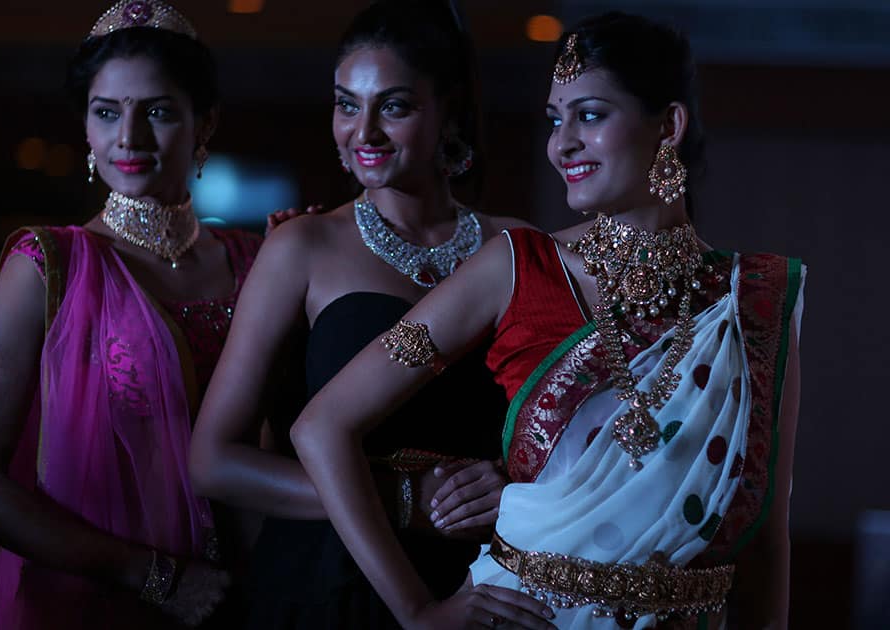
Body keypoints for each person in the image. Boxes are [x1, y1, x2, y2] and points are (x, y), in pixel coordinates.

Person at [290, 12, 805, 630]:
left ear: (668, 126)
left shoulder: (752, 302)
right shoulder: (515, 267)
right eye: (554, 121)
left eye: (589, 115)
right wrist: (418, 610)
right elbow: (322, 427)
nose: (561, 144)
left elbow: (767, 531)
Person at [188, 1, 541, 627]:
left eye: (395, 106)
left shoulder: (515, 248)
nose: (363, 131)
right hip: (328, 584)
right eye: (347, 104)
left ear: (448, 113)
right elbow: (214, 461)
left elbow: (559, 435)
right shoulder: (302, 246)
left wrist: (506, 480)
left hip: (484, 582)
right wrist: (402, 499)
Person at [0, 1, 261, 627]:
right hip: (101, 603)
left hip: (254, 596)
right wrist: (155, 579)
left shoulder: (259, 262)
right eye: (107, 112)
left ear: (205, 124)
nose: (130, 138)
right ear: (85, 128)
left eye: (160, 112)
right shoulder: (48, 266)